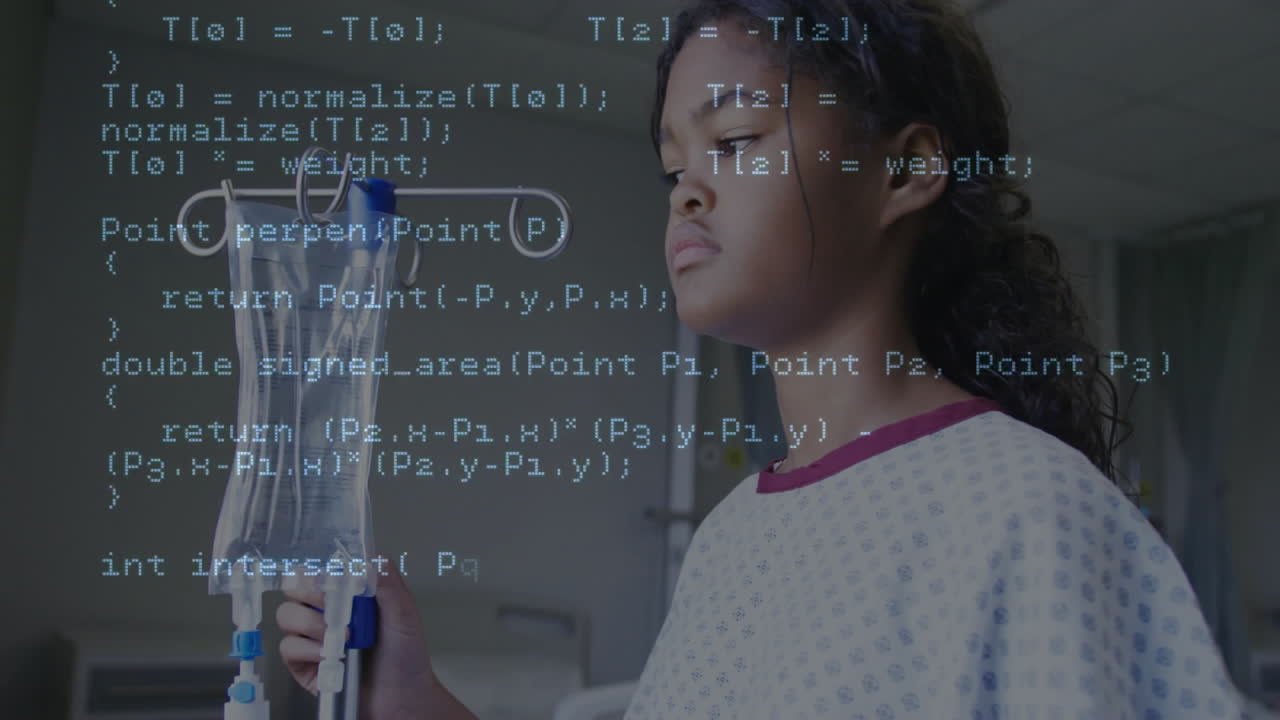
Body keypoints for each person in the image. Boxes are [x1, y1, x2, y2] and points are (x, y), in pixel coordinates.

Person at [279, 1, 1275, 718]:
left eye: (737, 141)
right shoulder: (733, 539)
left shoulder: (1027, 514)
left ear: (905, 169)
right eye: (674, 167)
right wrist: (411, 698)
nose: (686, 195)